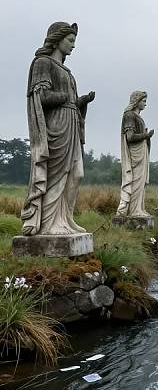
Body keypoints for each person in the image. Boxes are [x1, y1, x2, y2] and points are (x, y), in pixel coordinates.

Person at [22, 22, 95, 235]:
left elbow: (68, 99)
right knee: (57, 173)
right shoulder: (42, 63)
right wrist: (66, 98)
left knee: (76, 173)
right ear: (57, 39)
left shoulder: (67, 71)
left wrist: (81, 103)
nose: (73, 46)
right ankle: (49, 223)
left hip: (71, 123)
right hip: (57, 125)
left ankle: (65, 218)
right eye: (70, 41)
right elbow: (41, 95)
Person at [117, 91, 153, 217]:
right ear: (136, 101)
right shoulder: (129, 115)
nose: (145, 104)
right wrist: (145, 135)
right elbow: (130, 137)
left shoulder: (137, 117)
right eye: (144, 101)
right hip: (135, 154)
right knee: (136, 180)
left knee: (141, 182)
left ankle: (139, 208)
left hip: (141, 152)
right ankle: (134, 210)